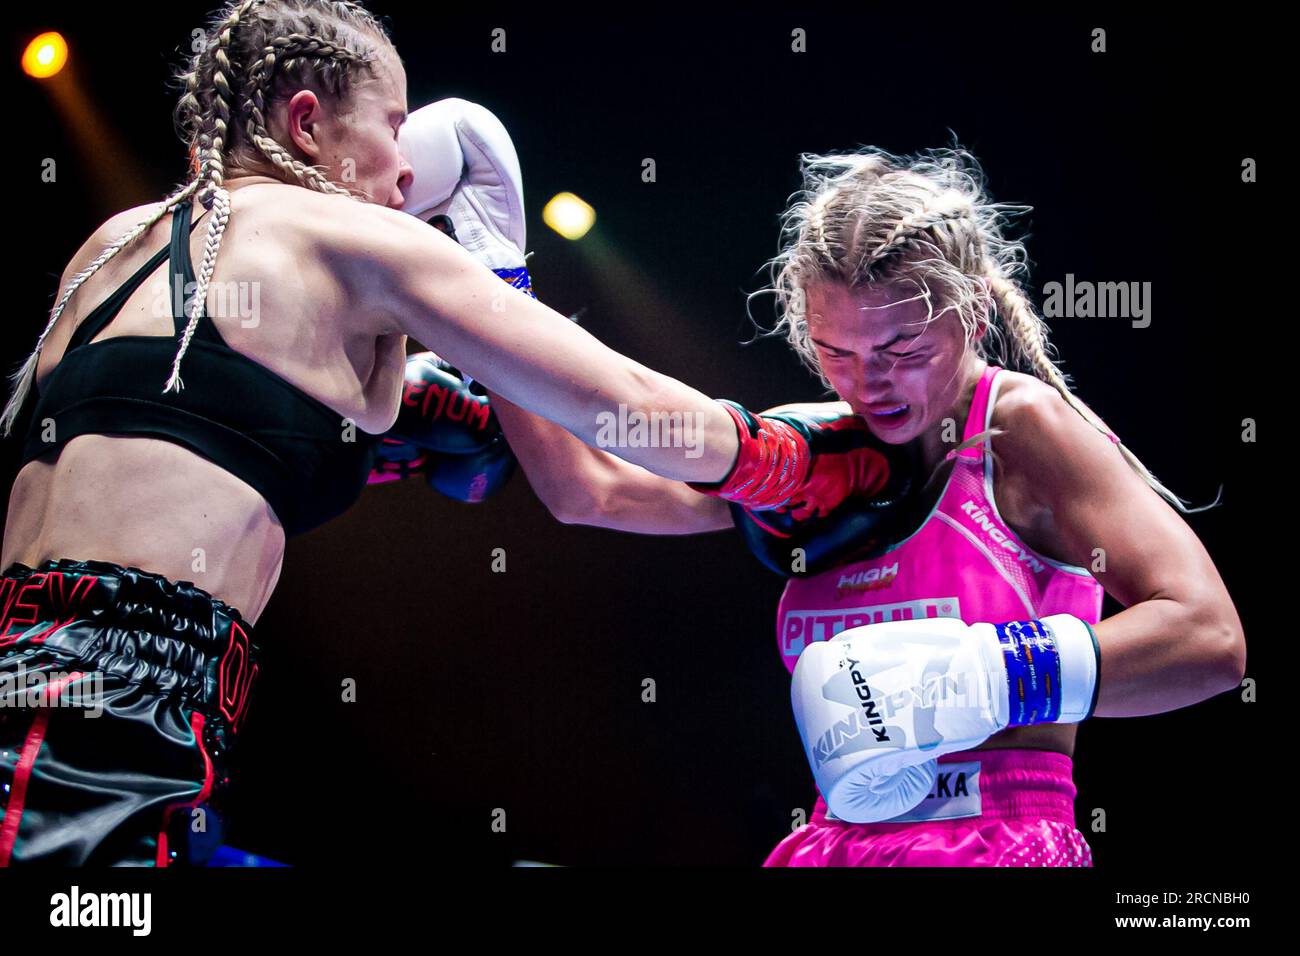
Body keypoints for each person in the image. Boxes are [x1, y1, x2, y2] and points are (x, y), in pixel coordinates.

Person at [0, 1, 892, 866]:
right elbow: (629, 402)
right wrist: (797, 467)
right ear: (307, 123)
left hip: (57, 689)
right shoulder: (350, 236)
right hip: (97, 728)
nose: (405, 171)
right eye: (393, 123)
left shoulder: (115, 244)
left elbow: (179, 442)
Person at [486, 145, 1247, 866]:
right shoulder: (823, 455)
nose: (868, 382)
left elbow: (1209, 640)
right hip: (833, 839)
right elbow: (587, 490)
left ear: (973, 314)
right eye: (837, 352)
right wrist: (490, 279)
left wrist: (986, 674)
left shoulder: (1021, 431)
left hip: (996, 836)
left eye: (903, 350)